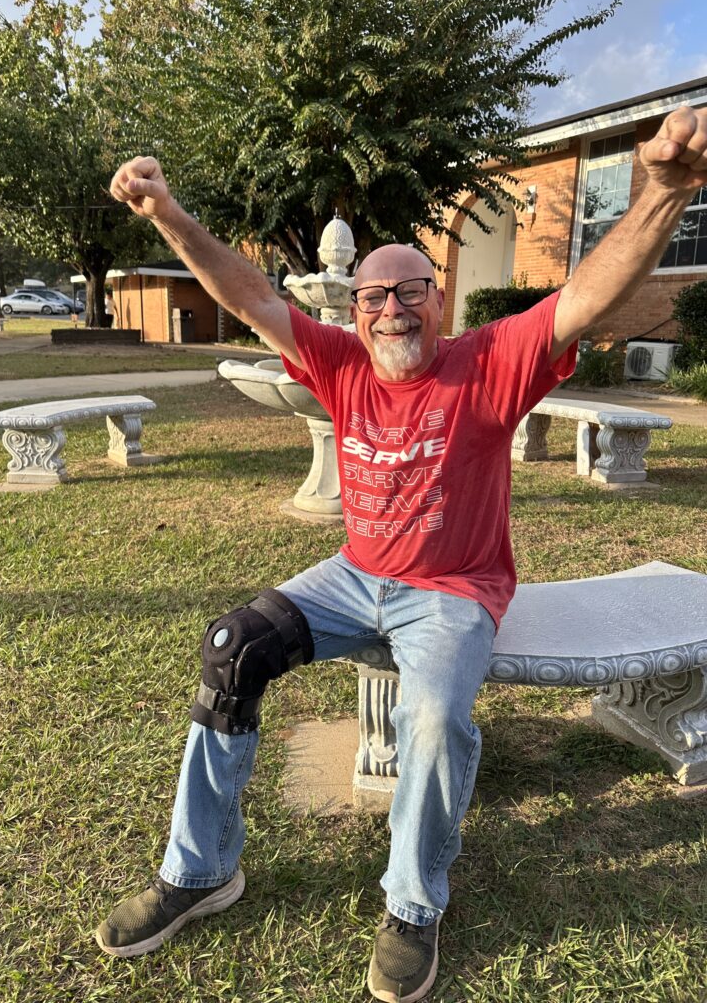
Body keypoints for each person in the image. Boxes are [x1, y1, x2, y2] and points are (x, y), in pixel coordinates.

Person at [97, 106, 707, 1001]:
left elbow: (585, 298)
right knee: (233, 648)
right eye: (374, 296)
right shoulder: (338, 363)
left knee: (431, 719)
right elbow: (250, 295)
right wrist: (166, 213)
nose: (392, 308)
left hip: (452, 590)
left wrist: (662, 192)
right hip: (355, 576)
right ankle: (200, 871)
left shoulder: (488, 362)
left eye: (410, 290)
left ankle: (413, 906)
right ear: (355, 311)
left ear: (439, 301)